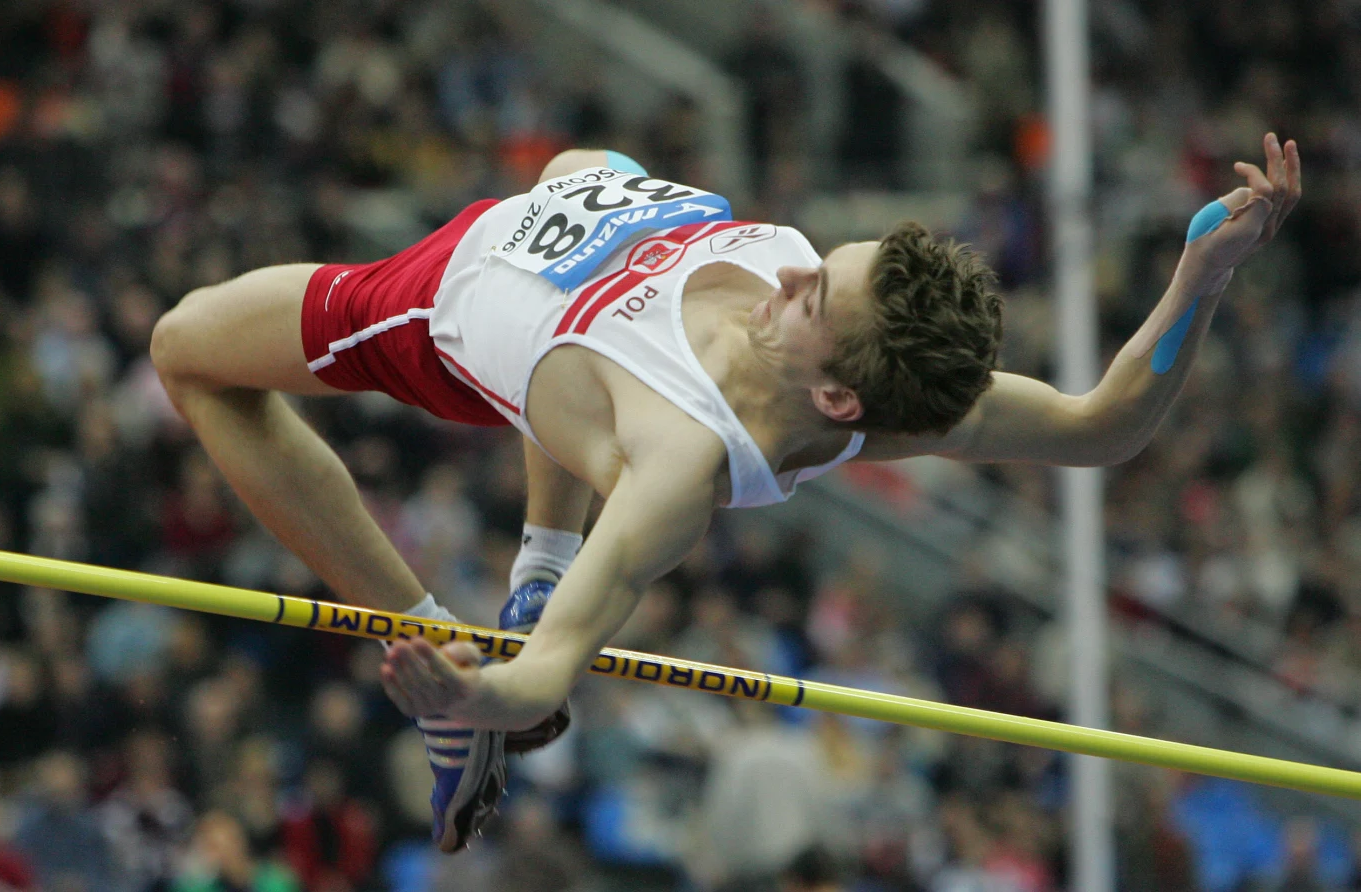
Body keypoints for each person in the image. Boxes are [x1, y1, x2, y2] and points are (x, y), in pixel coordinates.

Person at [150, 136, 1301, 852]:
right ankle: (537, 553)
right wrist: (1201, 274)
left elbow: (550, 672)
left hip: (454, 294)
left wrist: (471, 696)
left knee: (185, 349)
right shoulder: (880, 373)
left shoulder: (674, 466)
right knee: (579, 159)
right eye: (823, 258)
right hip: (601, 220)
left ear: (840, 400)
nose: (792, 271)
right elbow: (1099, 423)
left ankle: (436, 625)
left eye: (810, 297)